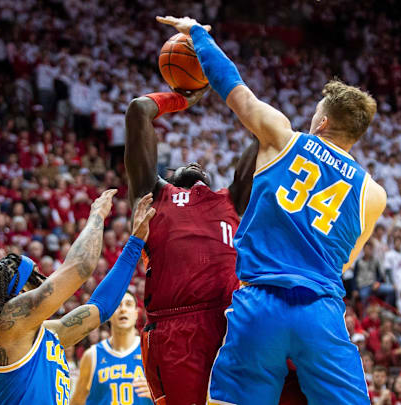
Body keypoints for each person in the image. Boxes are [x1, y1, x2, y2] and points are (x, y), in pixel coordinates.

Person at [156, 16, 386, 404]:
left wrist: (197, 33)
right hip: (320, 312)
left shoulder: (282, 136)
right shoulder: (372, 194)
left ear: (323, 120)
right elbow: (344, 262)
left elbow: (232, 86)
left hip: (260, 303)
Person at [124, 80, 304, 404]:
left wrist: (232, 90)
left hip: (231, 321)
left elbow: (267, 133)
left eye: (202, 165)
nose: (195, 165)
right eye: (185, 164)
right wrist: (180, 98)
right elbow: (139, 110)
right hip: (174, 327)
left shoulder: (232, 200)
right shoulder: (154, 195)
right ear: (170, 175)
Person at [0, 191, 156, 404]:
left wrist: (135, 243)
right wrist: (97, 215)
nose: (44, 282)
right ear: (22, 290)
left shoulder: (43, 335)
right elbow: (80, 267)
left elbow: (101, 308)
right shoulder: (8, 323)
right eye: (35, 277)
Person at [70, 291, 152, 405]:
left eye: (128, 304)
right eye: (118, 305)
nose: (123, 309)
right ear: (109, 314)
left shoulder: (150, 351)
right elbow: (76, 402)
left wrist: (156, 396)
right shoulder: (92, 355)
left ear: (136, 313)